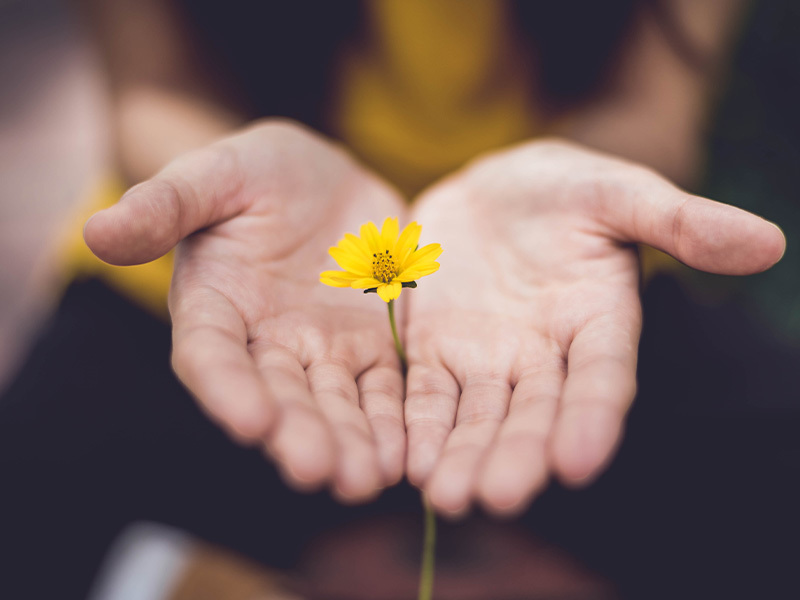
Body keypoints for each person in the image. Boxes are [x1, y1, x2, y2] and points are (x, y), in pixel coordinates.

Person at [2, 1, 797, 597]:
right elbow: (153, 88)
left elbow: (653, 108)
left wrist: (572, 177)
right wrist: (220, 176)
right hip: (246, 270)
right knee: (32, 500)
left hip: (552, 281)